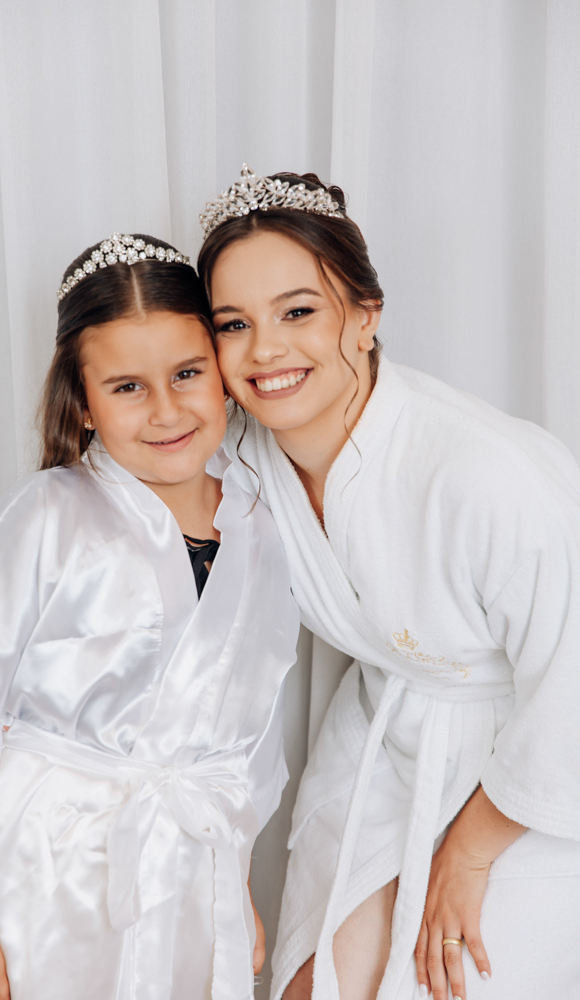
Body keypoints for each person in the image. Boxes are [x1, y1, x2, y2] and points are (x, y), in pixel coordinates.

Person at [197, 166, 580, 1000]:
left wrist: (467, 853)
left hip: (538, 762)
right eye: (233, 324)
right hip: (385, 734)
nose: (264, 351)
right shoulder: (237, 460)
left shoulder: (487, 473)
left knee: (445, 980)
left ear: (365, 315)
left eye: (298, 311)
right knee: (314, 988)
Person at [0, 231, 300, 1000]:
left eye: (186, 373)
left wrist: (236, 878)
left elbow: (247, 735)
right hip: (48, 870)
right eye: (127, 387)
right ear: (82, 403)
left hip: (191, 871)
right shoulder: (45, 517)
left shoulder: (263, 527)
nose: (166, 410)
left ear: (223, 375)